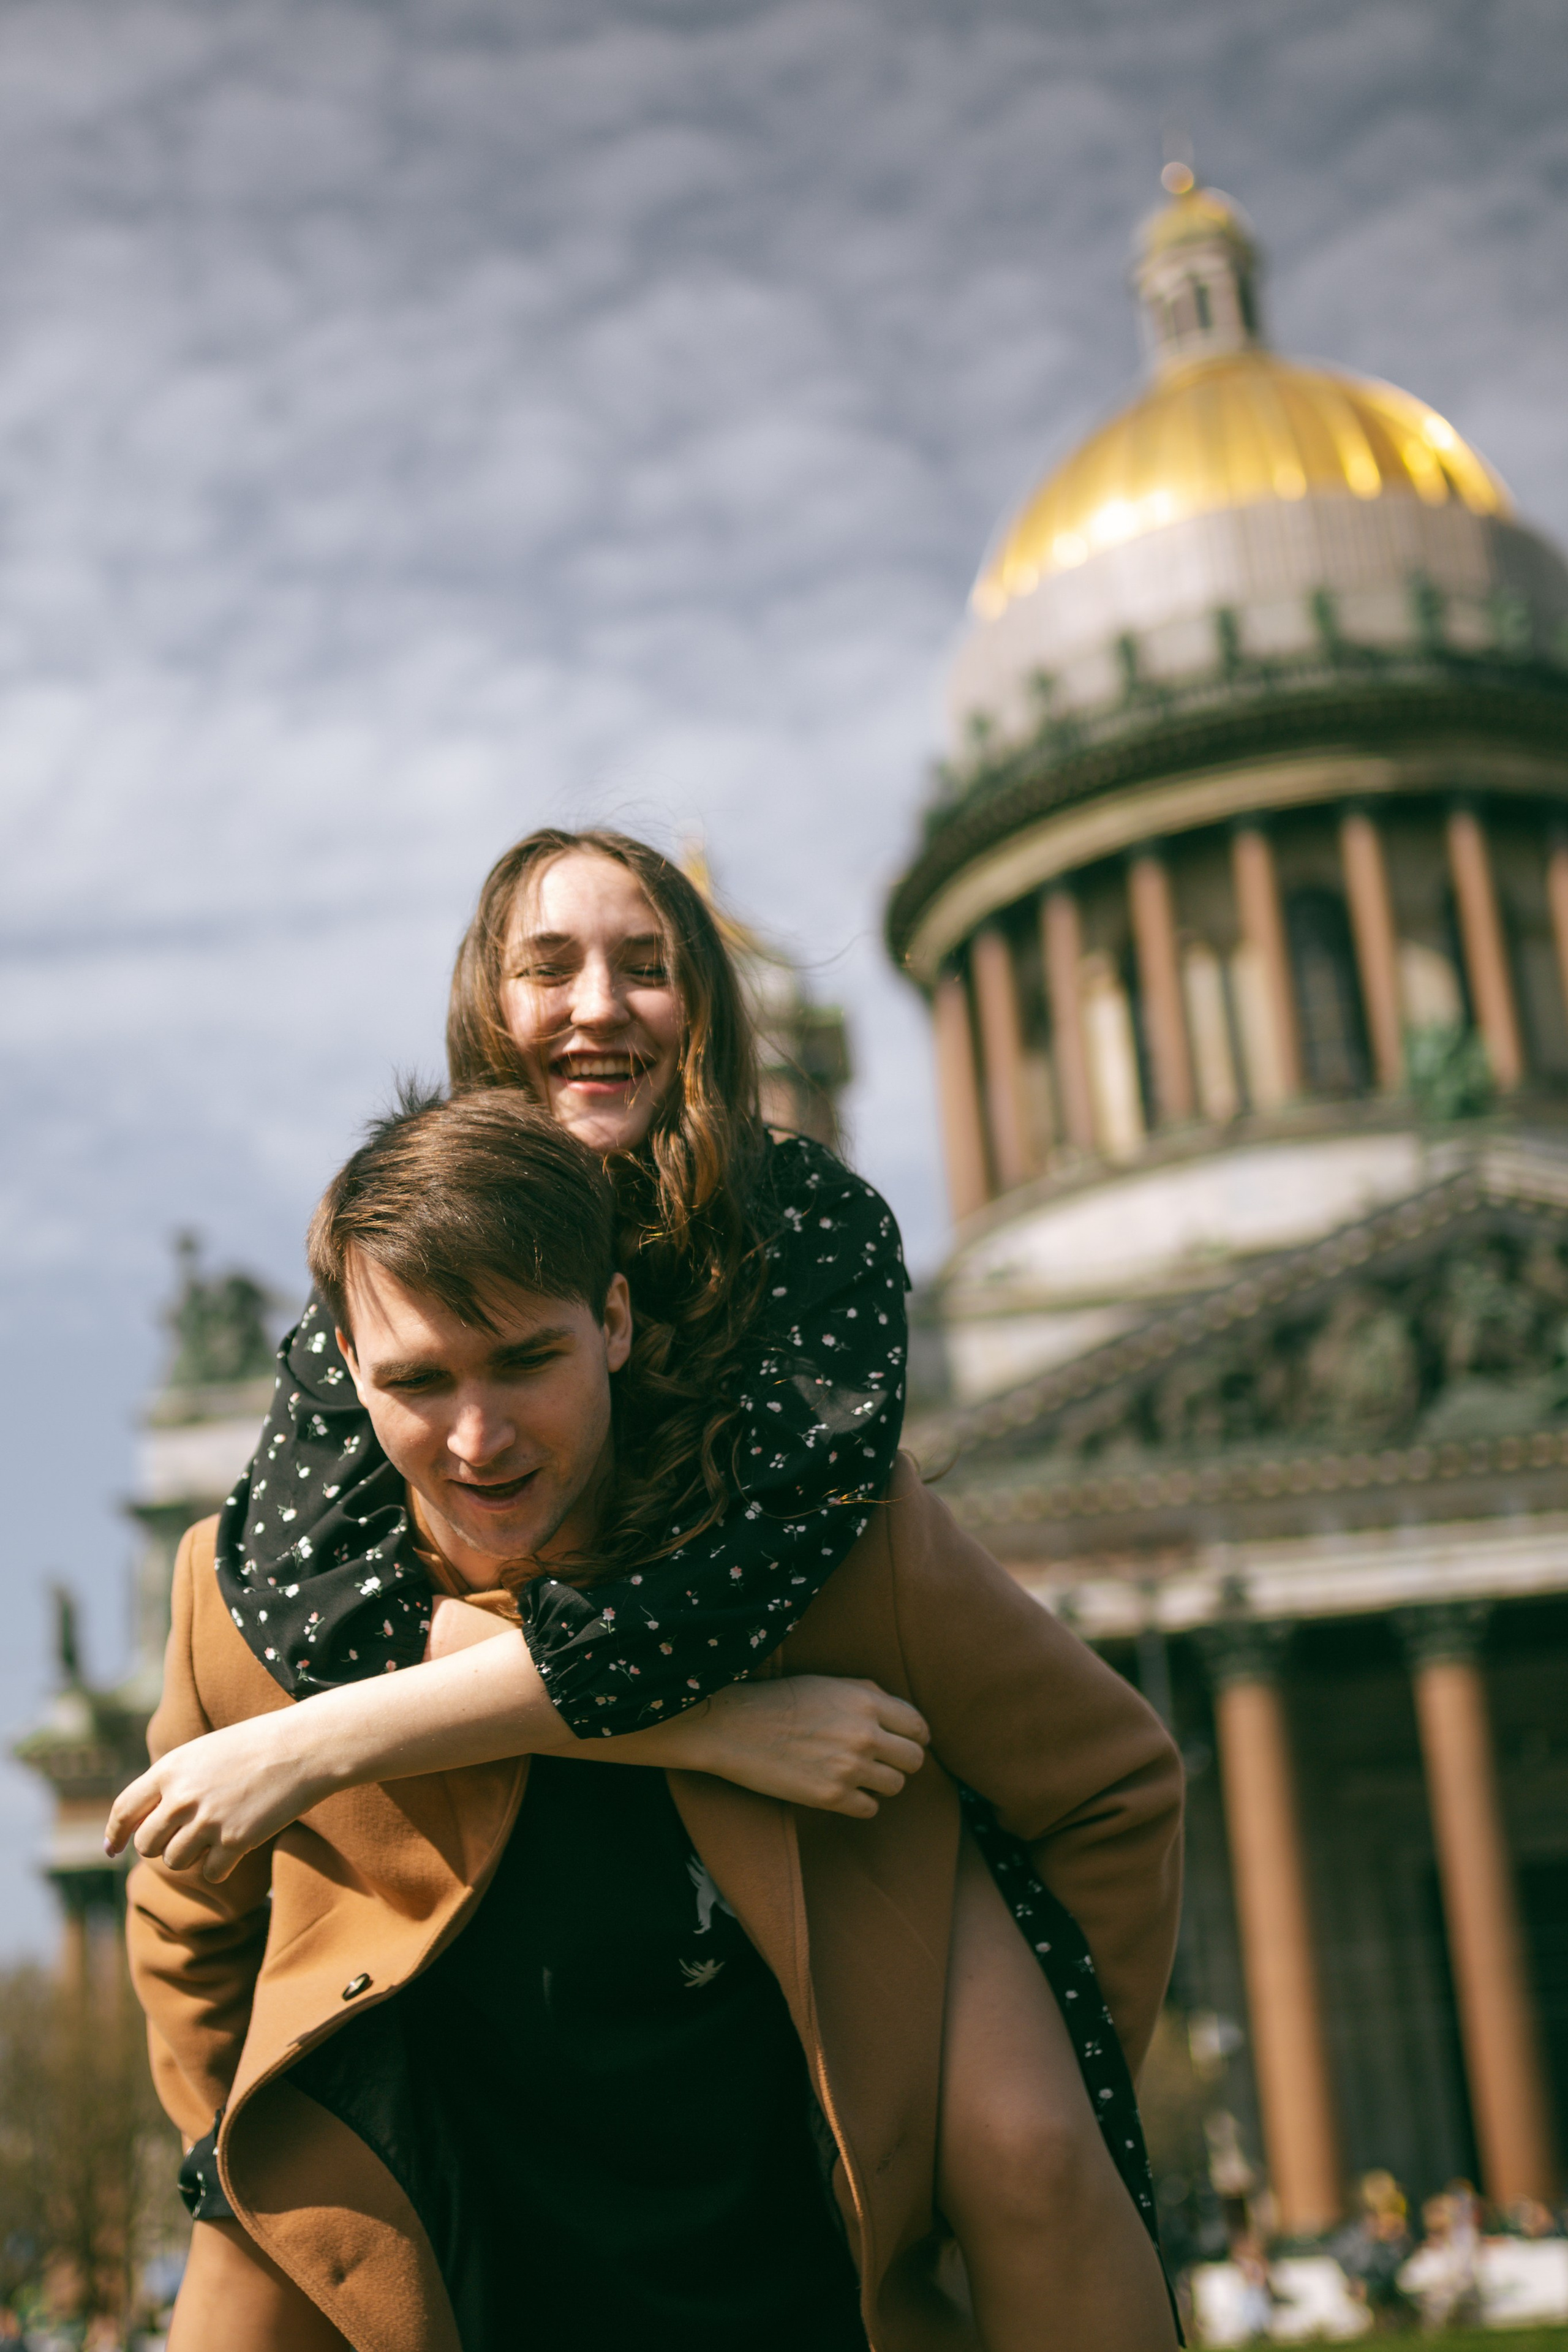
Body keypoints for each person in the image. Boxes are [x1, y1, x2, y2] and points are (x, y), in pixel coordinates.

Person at [143, 824, 1170, 2247]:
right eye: (546, 968)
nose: (597, 1006)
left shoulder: (807, 1227)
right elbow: (303, 1606)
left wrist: (314, 1747)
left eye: (646, 965)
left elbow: (732, 1592)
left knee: (1028, 2162)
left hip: (806, 1951)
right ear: (486, 1006)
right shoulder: (395, 1245)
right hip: (511, 2051)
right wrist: (715, 1729)